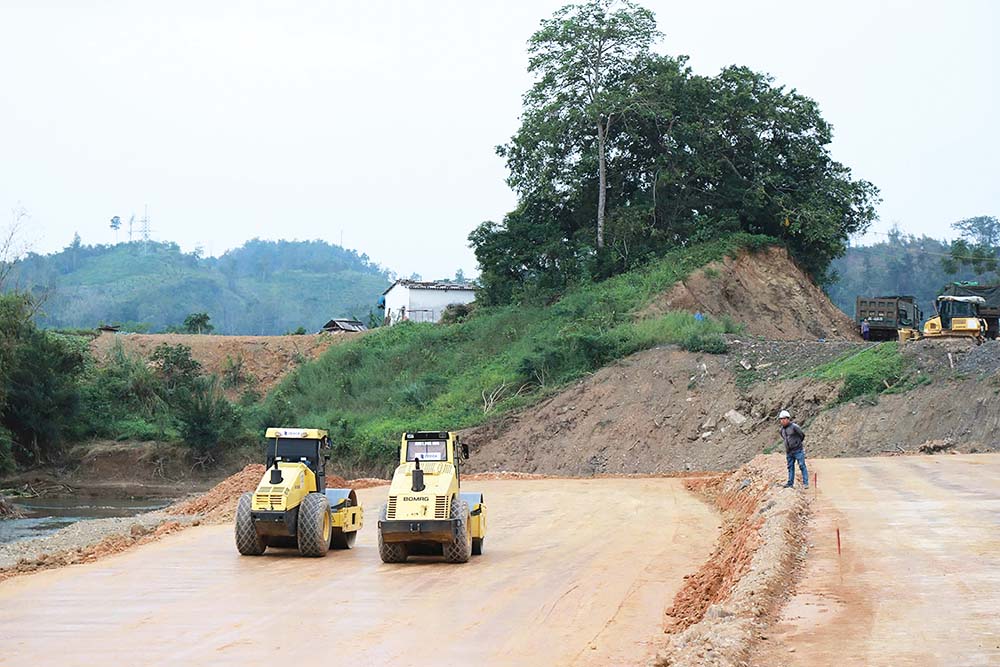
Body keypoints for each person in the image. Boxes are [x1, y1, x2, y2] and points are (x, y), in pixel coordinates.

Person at [778, 409, 809, 489]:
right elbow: (784, 438)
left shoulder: (795, 427)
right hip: (789, 452)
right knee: (790, 467)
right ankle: (790, 483)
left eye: (784, 419)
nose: (783, 421)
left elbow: (802, 435)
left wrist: (797, 443)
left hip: (798, 450)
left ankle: (805, 483)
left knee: (802, 465)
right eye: (781, 419)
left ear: (788, 419)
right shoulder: (781, 430)